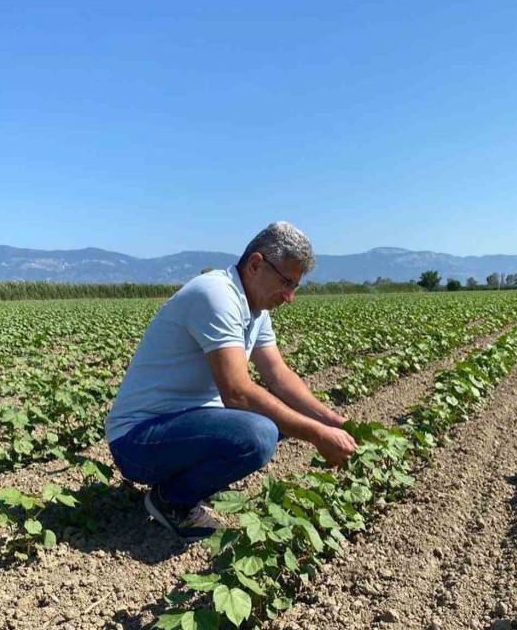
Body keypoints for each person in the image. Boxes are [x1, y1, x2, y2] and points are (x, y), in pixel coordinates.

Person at [105, 221, 357, 541]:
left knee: (281, 417)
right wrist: (317, 435)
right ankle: (171, 501)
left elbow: (279, 376)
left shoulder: (256, 308)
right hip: (139, 440)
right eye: (286, 282)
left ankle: (193, 481)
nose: (290, 297)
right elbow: (237, 394)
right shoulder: (216, 295)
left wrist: (333, 421)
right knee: (260, 431)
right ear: (255, 264)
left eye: (296, 287)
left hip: (181, 427)